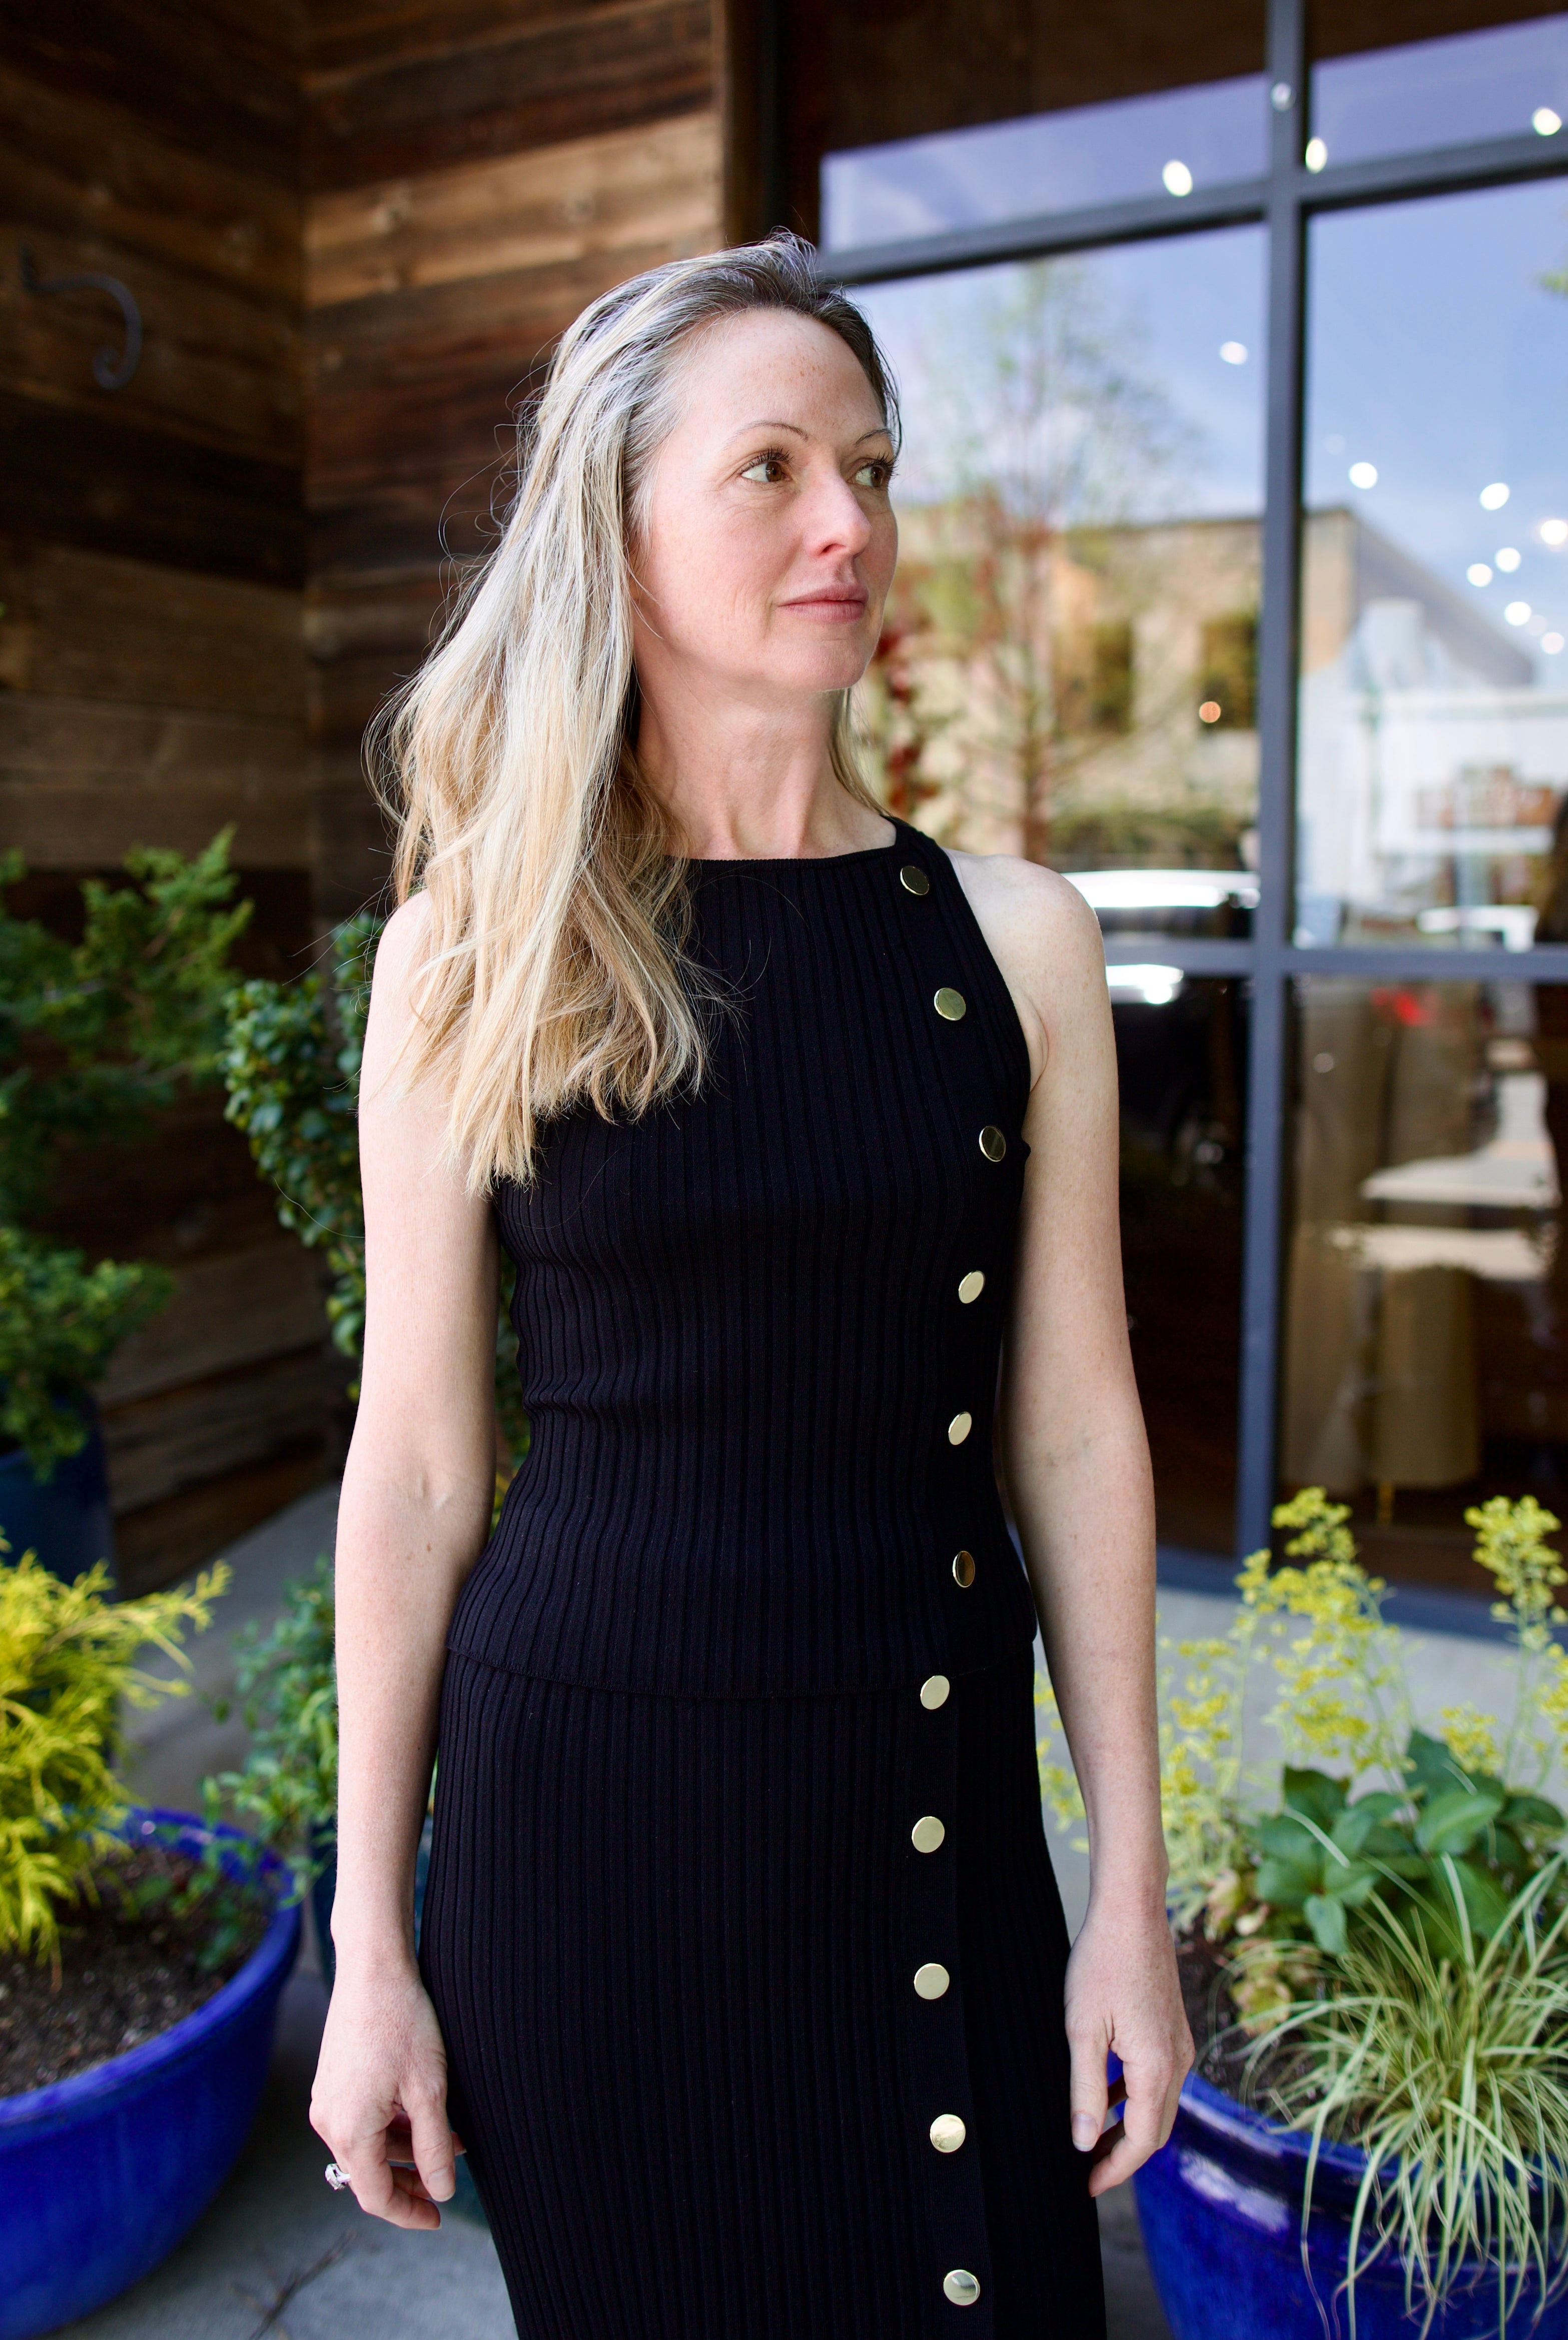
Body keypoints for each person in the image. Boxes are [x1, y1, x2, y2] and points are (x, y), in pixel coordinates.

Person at [309, 233, 1190, 2340]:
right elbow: (421, 1467)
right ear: (612, 530)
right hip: (587, 1839)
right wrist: (370, 1948)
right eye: (773, 468)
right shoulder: (476, 952)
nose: (850, 527)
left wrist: (1124, 1898)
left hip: (917, 1802)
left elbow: (1072, 1433)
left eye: (870, 469)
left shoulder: (1014, 941)